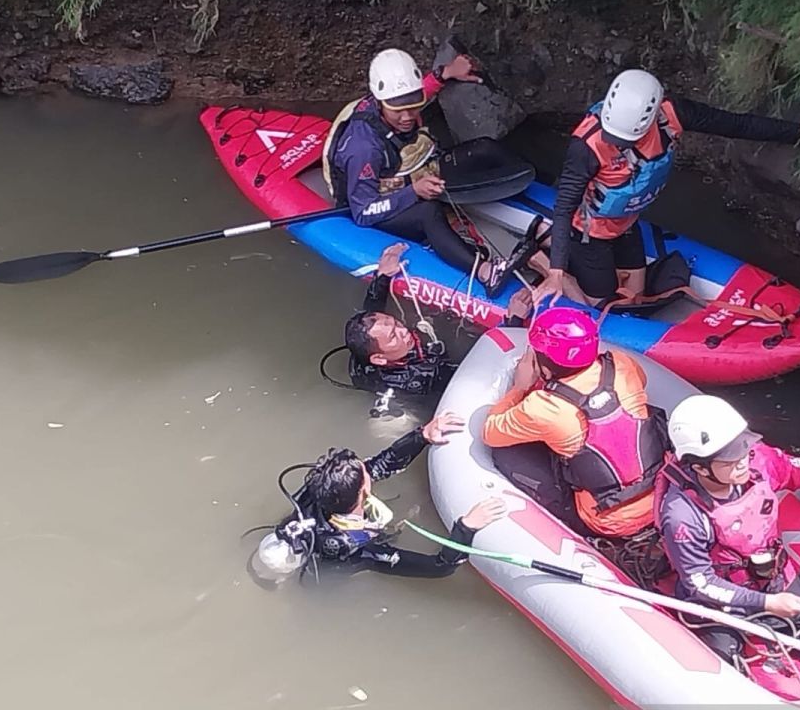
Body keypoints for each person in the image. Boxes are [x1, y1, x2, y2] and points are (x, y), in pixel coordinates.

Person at [534, 69, 800, 307]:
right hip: (587, 231)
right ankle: (545, 259)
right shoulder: (586, 147)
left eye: (623, 139)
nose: (614, 142)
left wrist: (799, 132)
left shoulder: (673, 114)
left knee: (634, 296)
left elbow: (735, 124)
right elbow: (564, 206)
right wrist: (558, 271)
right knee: (604, 301)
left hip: (625, 222)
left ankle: (553, 248)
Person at [655, 394, 800, 666]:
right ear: (700, 467)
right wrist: (767, 603)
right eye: (730, 459)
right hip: (719, 601)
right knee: (725, 656)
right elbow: (701, 583)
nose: (743, 460)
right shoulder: (682, 516)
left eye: (743, 449)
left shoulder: (759, 462)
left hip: (773, 575)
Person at [324, 48, 529, 295]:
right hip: (379, 202)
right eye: (398, 110)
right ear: (380, 102)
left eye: (413, 107)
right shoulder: (363, 148)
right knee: (428, 212)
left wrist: (446, 73)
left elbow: (418, 92)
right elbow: (363, 212)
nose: (407, 116)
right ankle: (486, 272)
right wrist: (414, 193)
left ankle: (534, 203)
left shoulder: (398, 98)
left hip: (414, 172)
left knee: (485, 148)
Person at [482, 307, 669, 543]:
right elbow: (642, 383)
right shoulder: (622, 365)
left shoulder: (543, 407)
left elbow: (490, 432)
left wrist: (519, 387)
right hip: (662, 493)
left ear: (546, 367)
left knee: (505, 453)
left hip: (604, 520)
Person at [254, 411, 507, 580]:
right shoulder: (355, 549)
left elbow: (380, 465)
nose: (370, 469)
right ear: (364, 490)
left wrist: (421, 436)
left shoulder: (318, 490)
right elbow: (440, 568)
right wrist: (466, 527)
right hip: (332, 575)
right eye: (366, 474)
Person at [343, 242, 536, 400]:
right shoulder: (421, 377)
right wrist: (513, 321)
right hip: (433, 389)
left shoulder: (374, 339)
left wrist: (382, 276)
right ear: (379, 359)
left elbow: (372, 312)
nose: (402, 330)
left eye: (395, 323)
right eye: (394, 336)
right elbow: (483, 370)